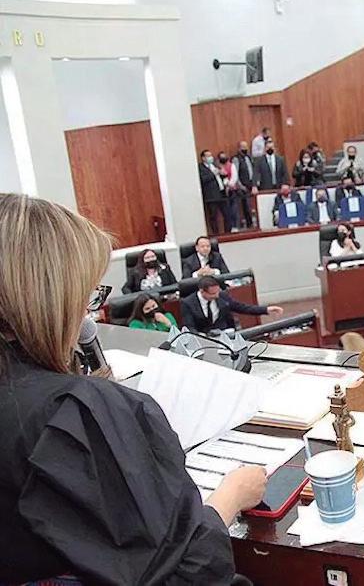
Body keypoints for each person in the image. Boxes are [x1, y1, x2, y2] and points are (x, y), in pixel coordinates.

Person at [0, 193, 266, 584]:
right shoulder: (75, 413)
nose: (87, 315)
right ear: (52, 300)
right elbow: (186, 576)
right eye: (87, 296)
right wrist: (230, 497)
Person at [182, 275, 283, 333]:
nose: (217, 295)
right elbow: (189, 326)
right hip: (203, 339)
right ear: (202, 291)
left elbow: (242, 307)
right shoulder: (188, 303)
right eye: (213, 294)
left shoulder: (222, 295)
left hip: (225, 335)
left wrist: (266, 310)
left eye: (218, 292)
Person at [198, 149, 226, 234]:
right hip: (211, 196)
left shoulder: (214, 165)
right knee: (213, 216)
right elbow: (203, 179)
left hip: (221, 193)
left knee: (226, 214)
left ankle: (227, 232)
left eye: (211, 155)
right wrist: (213, 174)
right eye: (208, 156)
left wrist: (222, 174)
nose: (211, 157)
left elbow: (219, 176)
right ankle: (216, 234)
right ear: (203, 158)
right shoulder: (201, 167)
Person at [232, 141, 257, 229]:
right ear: (239, 148)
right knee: (246, 206)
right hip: (242, 186)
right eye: (243, 147)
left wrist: (254, 183)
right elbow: (235, 174)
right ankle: (249, 224)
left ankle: (254, 223)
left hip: (251, 185)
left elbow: (253, 170)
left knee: (253, 205)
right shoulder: (236, 159)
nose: (245, 149)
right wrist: (241, 186)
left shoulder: (249, 157)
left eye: (246, 147)